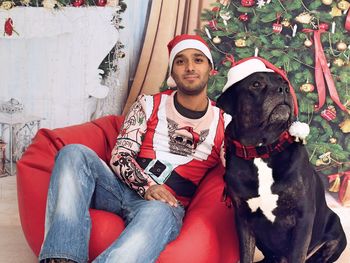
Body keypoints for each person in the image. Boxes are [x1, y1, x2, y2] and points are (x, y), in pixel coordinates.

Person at [39, 34, 230, 263]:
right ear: (172, 71)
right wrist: (147, 186)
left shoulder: (225, 122)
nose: (189, 67)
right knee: (72, 152)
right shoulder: (149, 104)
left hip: (165, 206)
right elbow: (120, 155)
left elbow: (239, 164)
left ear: (211, 68)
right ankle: (62, 258)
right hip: (117, 188)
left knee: (158, 210)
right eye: (180, 61)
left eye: (198, 60)